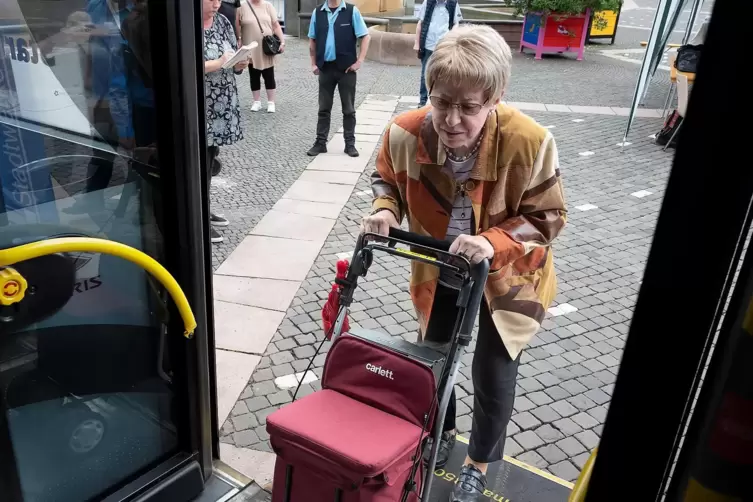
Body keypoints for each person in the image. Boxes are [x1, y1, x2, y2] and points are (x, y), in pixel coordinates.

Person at [362, 25, 567, 501]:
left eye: (469, 107)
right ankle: (440, 431)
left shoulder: (529, 142)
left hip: (509, 277)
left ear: (495, 98)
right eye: (441, 101)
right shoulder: (405, 133)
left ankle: (478, 463)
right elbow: (385, 179)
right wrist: (385, 209)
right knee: (434, 356)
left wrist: (494, 241)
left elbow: (550, 216)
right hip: (442, 268)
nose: (451, 120)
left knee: (493, 371)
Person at [202, 0, 248, 243]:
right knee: (201, 166)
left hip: (222, 107)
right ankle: (198, 218)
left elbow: (232, 54)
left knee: (210, 161)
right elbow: (187, 64)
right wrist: (219, 63)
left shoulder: (222, 22)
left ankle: (204, 209)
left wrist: (240, 63)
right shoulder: (188, 28)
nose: (217, 3)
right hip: (201, 108)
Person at [306, 0, 371, 158]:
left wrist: (359, 61)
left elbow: (366, 36)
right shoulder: (318, 12)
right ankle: (320, 143)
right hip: (325, 68)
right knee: (323, 108)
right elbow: (312, 39)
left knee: (348, 109)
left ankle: (350, 144)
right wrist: (313, 63)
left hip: (346, 69)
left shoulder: (351, 11)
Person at [239, 0, 285, 113]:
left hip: (266, 47)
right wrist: (239, 39)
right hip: (250, 46)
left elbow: (275, 25)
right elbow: (237, 26)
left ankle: (271, 102)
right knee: (253, 76)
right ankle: (256, 102)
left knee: (269, 75)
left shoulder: (268, 6)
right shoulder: (242, 7)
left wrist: (282, 41)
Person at [414, 0, 462, 108]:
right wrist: (417, 44)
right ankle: (422, 101)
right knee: (425, 73)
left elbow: (456, 23)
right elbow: (420, 23)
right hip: (428, 45)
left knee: (444, 74)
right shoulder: (428, 2)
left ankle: (441, 100)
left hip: (443, 46)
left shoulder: (452, 3)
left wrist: (451, 37)